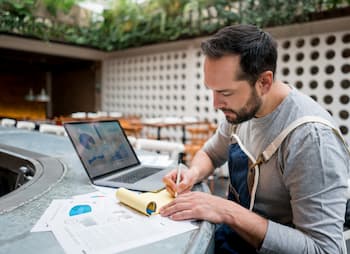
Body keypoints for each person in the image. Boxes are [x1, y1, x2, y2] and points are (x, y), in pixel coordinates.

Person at [160, 24, 350, 254]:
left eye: (226, 93)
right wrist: (192, 174)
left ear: (264, 82)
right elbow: (210, 153)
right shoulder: (241, 112)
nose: (215, 104)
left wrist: (227, 211)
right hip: (234, 240)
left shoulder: (311, 140)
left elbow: (325, 249)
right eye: (212, 90)